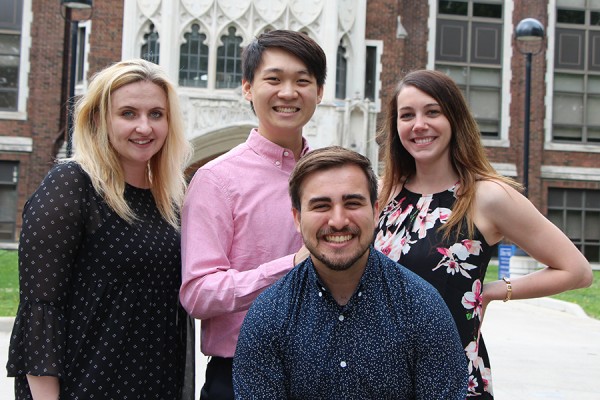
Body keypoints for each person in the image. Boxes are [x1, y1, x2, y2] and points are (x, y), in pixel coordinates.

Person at [374, 69, 593, 398]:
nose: (419, 125)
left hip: (452, 380)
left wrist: (490, 291)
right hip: (380, 380)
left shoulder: (486, 196)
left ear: (454, 119)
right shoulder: (383, 194)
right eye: (407, 115)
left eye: (432, 112)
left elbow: (577, 270)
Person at [6, 59, 194, 400]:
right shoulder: (71, 186)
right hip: (85, 387)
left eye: (156, 114)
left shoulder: (170, 201)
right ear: (98, 119)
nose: (144, 127)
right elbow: (40, 311)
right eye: (128, 113)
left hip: (154, 386)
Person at [232, 146, 468, 399]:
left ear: (376, 211)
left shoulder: (422, 307)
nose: (338, 221)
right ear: (297, 219)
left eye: (352, 203)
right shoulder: (268, 316)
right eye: (321, 206)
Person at [179, 29, 327, 399]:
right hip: (242, 374)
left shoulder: (332, 176)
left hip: (328, 371)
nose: (289, 92)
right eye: (273, 79)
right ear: (248, 87)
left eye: (303, 81)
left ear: (319, 92)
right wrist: (289, 266)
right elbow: (198, 293)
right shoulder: (216, 180)